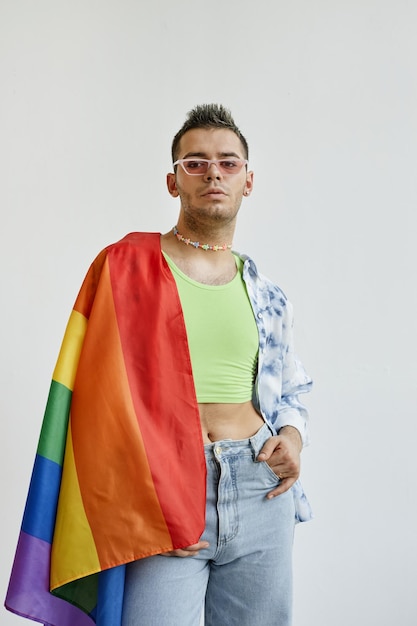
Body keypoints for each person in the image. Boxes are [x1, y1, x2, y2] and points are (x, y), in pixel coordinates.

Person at [5, 104, 312, 626]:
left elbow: (292, 388)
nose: (213, 171)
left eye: (228, 162)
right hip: (161, 491)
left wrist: (293, 435)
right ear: (173, 182)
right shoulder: (124, 268)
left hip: (260, 486)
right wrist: (151, 494)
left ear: (248, 180)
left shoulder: (266, 291)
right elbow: (96, 397)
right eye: (195, 162)